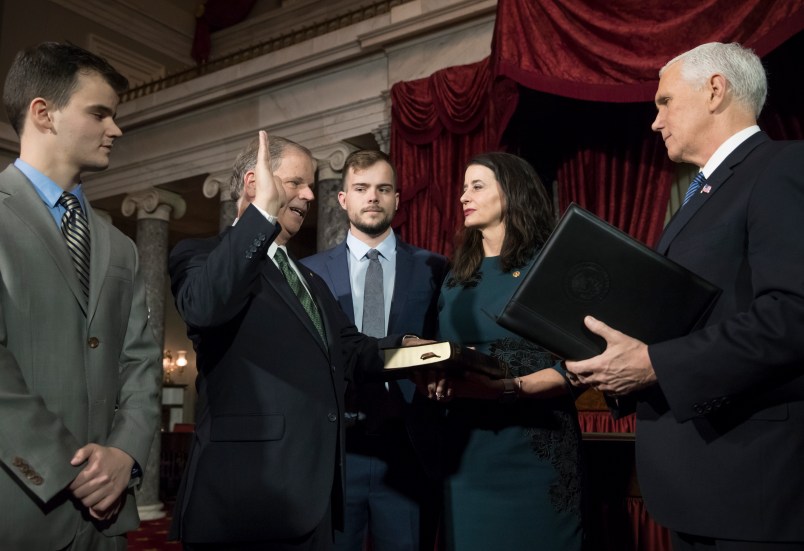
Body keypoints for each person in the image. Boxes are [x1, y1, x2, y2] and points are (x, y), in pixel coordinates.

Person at [565, 42, 804, 550]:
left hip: (755, 486)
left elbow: (792, 316)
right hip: (704, 481)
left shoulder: (782, 167)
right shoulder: (707, 190)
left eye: (664, 101)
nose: (655, 121)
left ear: (715, 90)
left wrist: (654, 364)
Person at [168, 132, 384, 550]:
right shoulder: (197, 253)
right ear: (255, 183)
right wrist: (261, 216)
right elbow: (206, 307)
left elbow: (355, 351)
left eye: (311, 184)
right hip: (243, 501)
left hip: (314, 498)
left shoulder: (310, 279)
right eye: (296, 182)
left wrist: (427, 353)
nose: (308, 195)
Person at [0, 42, 162, 550]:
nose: (115, 129)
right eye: (100, 113)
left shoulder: (120, 245)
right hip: (19, 510)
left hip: (105, 522)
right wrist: (68, 470)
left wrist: (124, 455)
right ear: (43, 114)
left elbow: (141, 362)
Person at [422, 152, 583, 550]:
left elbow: (581, 364)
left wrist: (511, 388)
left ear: (511, 194)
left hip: (537, 450)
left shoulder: (551, 267)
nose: (463, 196)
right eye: (463, 188)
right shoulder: (454, 280)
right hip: (468, 452)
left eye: (476, 186)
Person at [301, 150, 447, 551]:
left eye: (383, 189)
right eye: (361, 188)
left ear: (397, 199)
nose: (373, 198)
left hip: (408, 449)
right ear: (343, 198)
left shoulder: (434, 269)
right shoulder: (308, 272)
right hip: (336, 453)